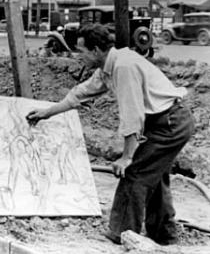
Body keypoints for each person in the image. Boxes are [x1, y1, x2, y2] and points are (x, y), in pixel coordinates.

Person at [26, 24, 193, 245]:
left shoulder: (123, 67)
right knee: (154, 175)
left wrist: (126, 157)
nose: (78, 56)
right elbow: (81, 93)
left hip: (170, 123)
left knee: (134, 173)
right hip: (165, 120)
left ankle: (122, 233)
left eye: (81, 50)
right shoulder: (109, 65)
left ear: (96, 50)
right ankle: (164, 233)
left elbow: (132, 117)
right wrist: (47, 112)